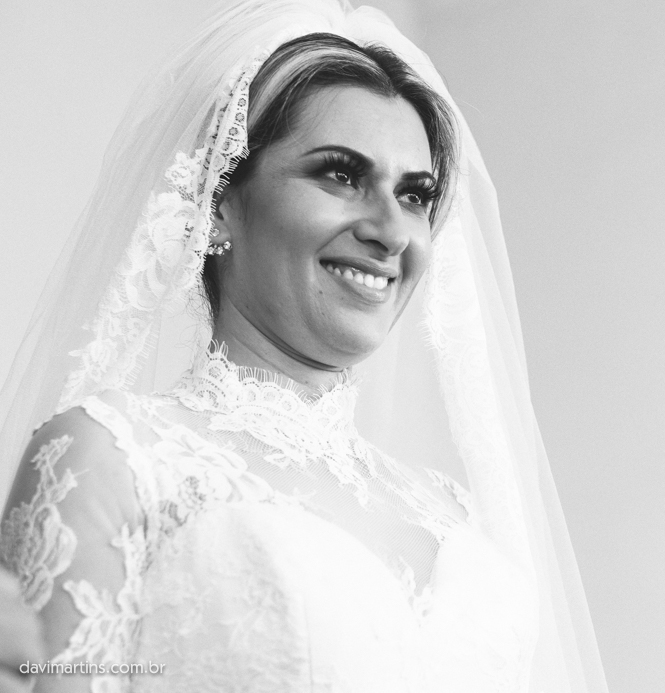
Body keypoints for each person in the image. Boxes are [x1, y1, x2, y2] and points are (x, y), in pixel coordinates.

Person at [0, 1, 608, 691]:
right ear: (219, 202)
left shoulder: (451, 515)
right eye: (341, 175)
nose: (390, 231)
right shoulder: (115, 458)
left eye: (415, 195)